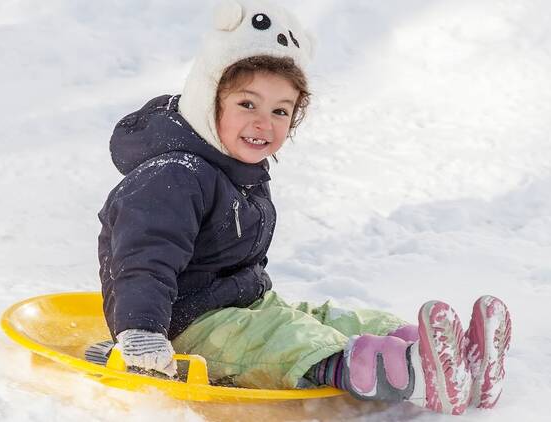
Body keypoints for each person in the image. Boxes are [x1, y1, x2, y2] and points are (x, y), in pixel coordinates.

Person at [95, 0, 511, 415]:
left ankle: (446, 354)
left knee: (337, 320)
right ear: (209, 98)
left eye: (281, 111)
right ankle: (410, 369)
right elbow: (141, 259)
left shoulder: (237, 169)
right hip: (184, 327)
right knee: (288, 338)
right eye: (247, 104)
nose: (264, 123)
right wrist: (143, 331)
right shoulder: (173, 175)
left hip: (241, 308)